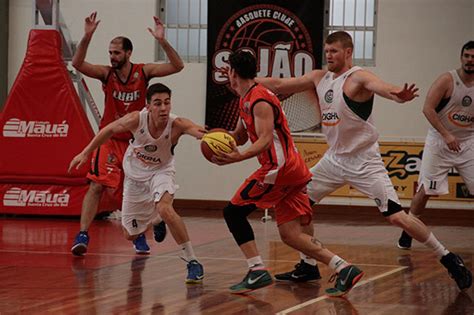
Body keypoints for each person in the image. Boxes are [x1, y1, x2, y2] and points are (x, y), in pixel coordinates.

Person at [257, 31, 472, 291]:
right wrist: (248, 81)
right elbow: (279, 86)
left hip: (364, 162)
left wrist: (396, 94)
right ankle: (308, 265)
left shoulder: (357, 77)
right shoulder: (319, 77)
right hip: (333, 161)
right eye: (326, 51)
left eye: (334, 51)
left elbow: (381, 86)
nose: (329, 55)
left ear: (348, 52)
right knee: (299, 202)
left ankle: (449, 258)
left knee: (397, 217)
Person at [215, 50, 364, 296]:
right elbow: (239, 137)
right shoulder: (245, 98)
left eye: (229, 71)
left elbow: (263, 140)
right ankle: (344, 267)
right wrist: (209, 137)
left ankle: (256, 270)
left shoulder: (260, 99)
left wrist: (238, 157)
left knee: (233, 212)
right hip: (291, 170)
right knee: (291, 234)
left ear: (233, 73)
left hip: (279, 169)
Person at [70, 12, 184, 256]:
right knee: (96, 185)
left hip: (136, 142)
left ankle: (143, 231)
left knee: (138, 193)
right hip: (109, 138)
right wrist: (87, 37)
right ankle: (82, 234)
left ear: (128, 53)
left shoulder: (143, 72)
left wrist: (162, 41)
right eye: (110, 52)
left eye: (116, 53)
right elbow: (78, 64)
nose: (112, 57)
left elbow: (178, 66)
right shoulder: (106, 74)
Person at [69, 83, 205, 283]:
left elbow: (199, 131)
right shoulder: (136, 119)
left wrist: (219, 140)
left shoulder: (177, 124)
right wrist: (85, 152)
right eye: (157, 103)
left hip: (162, 171)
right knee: (129, 235)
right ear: (148, 106)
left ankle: (193, 261)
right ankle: (155, 220)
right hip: (134, 176)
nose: (163, 108)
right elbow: (108, 130)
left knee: (166, 209)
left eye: (167, 103)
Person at [398, 41, 474, 250]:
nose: (470, 60)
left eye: (473, 57)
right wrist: (446, 134)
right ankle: (408, 228)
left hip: (467, 142)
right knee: (426, 190)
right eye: (466, 56)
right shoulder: (447, 80)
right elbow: (428, 109)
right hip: (440, 141)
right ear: (461, 57)